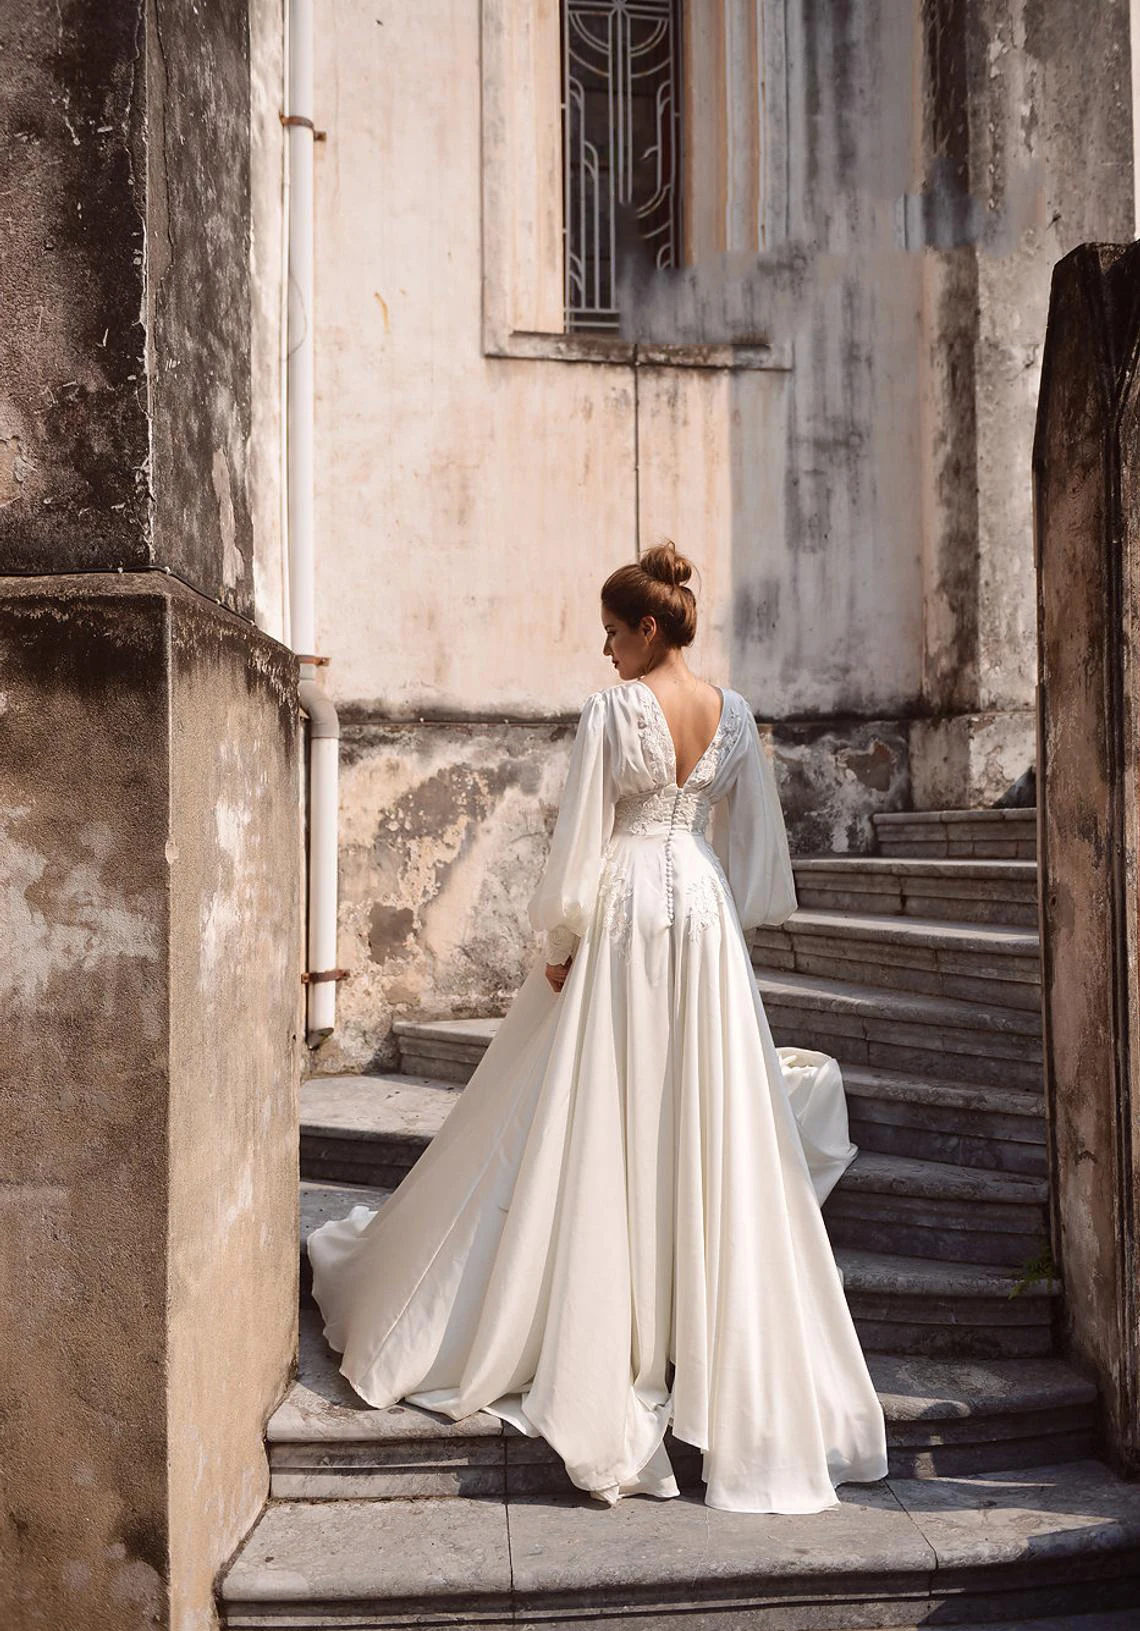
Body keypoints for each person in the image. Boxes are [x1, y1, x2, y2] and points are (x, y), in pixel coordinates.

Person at [307, 542, 888, 1513]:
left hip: (624, 906)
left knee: (601, 1098)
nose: (604, 648)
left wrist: (563, 933)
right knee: (692, 1105)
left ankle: (593, 1320)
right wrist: (715, 907)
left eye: (613, 631)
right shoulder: (737, 715)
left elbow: (582, 830)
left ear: (648, 627)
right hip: (697, 912)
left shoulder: (616, 711)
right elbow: (755, 851)